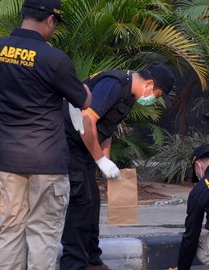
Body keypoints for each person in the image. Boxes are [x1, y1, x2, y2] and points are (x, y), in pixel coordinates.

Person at [0, 0, 92, 269]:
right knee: (43, 233)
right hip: (47, 160)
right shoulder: (54, 59)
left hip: (8, 157)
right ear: (50, 21)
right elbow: (84, 100)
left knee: (10, 229)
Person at [60, 64, 175, 270]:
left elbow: (106, 127)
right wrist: (100, 160)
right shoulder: (114, 85)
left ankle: (92, 260)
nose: (153, 100)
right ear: (149, 84)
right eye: (157, 95)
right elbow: (87, 120)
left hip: (83, 145)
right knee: (80, 203)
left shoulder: (128, 95)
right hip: (69, 142)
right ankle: (73, 264)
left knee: (92, 202)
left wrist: (106, 160)